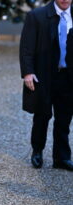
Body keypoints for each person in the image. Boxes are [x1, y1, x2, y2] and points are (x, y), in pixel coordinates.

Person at [20, 0, 73, 171]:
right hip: (45, 75)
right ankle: (37, 151)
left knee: (64, 118)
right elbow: (26, 47)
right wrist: (28, 72)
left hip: (68, 76)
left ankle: (62, 158)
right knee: (42, 115)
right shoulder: (36, 16)